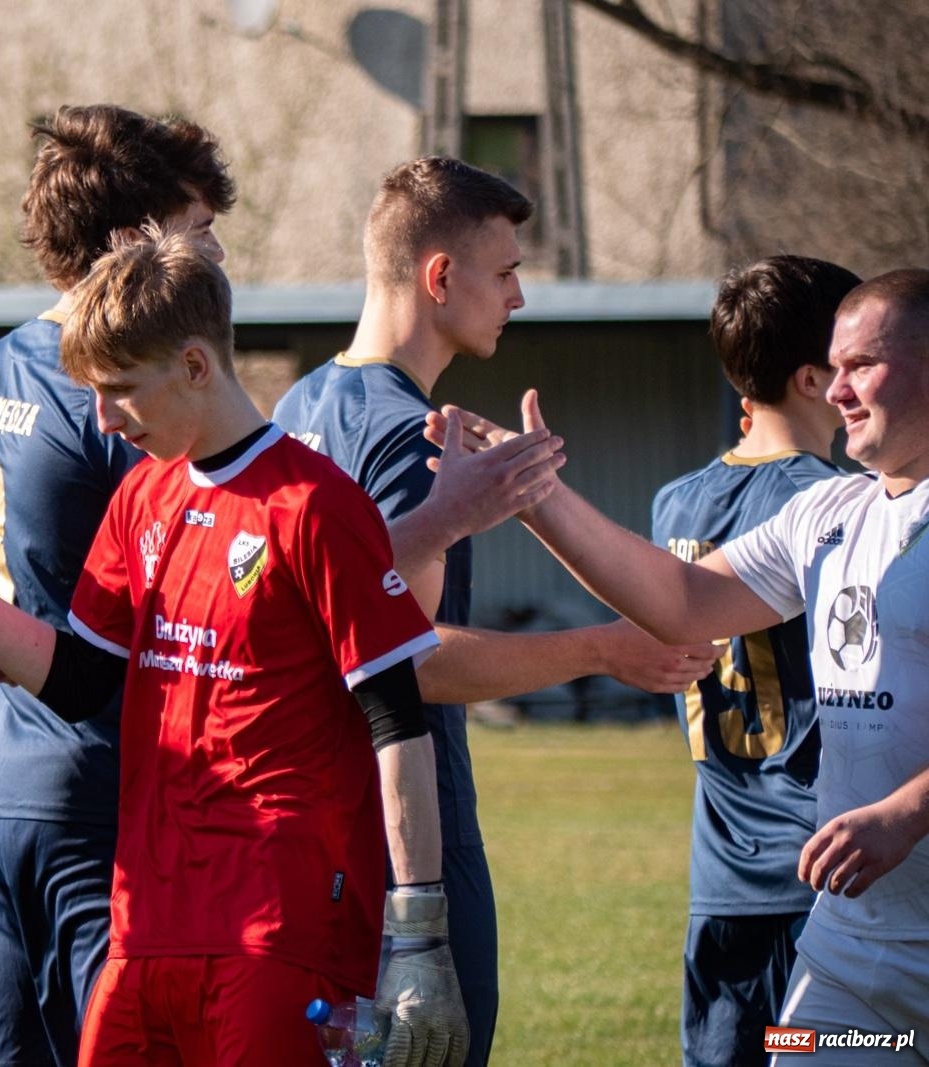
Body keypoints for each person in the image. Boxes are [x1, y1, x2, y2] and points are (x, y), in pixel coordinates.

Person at [0, 230, 470, 1065]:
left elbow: (397, 718)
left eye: (121, 389)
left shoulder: (314, 505)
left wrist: (419, 935)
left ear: (197, 366)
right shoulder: (141, 495)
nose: (103, 418)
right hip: (144, 926)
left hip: (278, 933)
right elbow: (84, 678)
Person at [272, 155, 717, 1064]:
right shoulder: (406, 437)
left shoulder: (296, 406)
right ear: (442, 277)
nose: (518, 297)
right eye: (507, 271)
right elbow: (416, 659)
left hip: (304, 829)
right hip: (401, 841)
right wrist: (603, 648)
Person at [432, 269, 929, 1065]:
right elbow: (684, 600)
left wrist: (907, 811)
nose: (836, 390)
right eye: (830, 368)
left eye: (862, 365)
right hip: (845, 950)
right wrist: (535, 495)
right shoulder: (830, 511)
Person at [0, 103, 232, 1067]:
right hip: (94, 787)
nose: (214, 252)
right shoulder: (117, 399)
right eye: (194, 231)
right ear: (132, 243)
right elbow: (233, 566)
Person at [650, 255, 859, 1066]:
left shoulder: (676, 501)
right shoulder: (836, 505)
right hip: (820, 874)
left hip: (721, 876)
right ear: (814, 378)